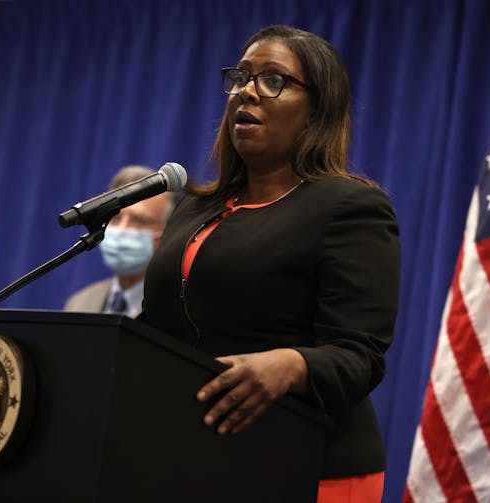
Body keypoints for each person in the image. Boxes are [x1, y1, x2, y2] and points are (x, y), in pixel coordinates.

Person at [140, 25, 400, 502]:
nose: (248, 92)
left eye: (273, 79)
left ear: (316, 110)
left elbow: (359, 357)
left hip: (310, 461)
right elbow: (159, 327)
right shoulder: (196, 209)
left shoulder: (349, 206)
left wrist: (290, 363)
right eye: (241, 77)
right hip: (194, 455)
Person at [64, 165, 176, 317]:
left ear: (165, 232)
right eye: (115, 218)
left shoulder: (175, 311)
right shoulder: (79, 303)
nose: (122, 228)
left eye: (138, 220)